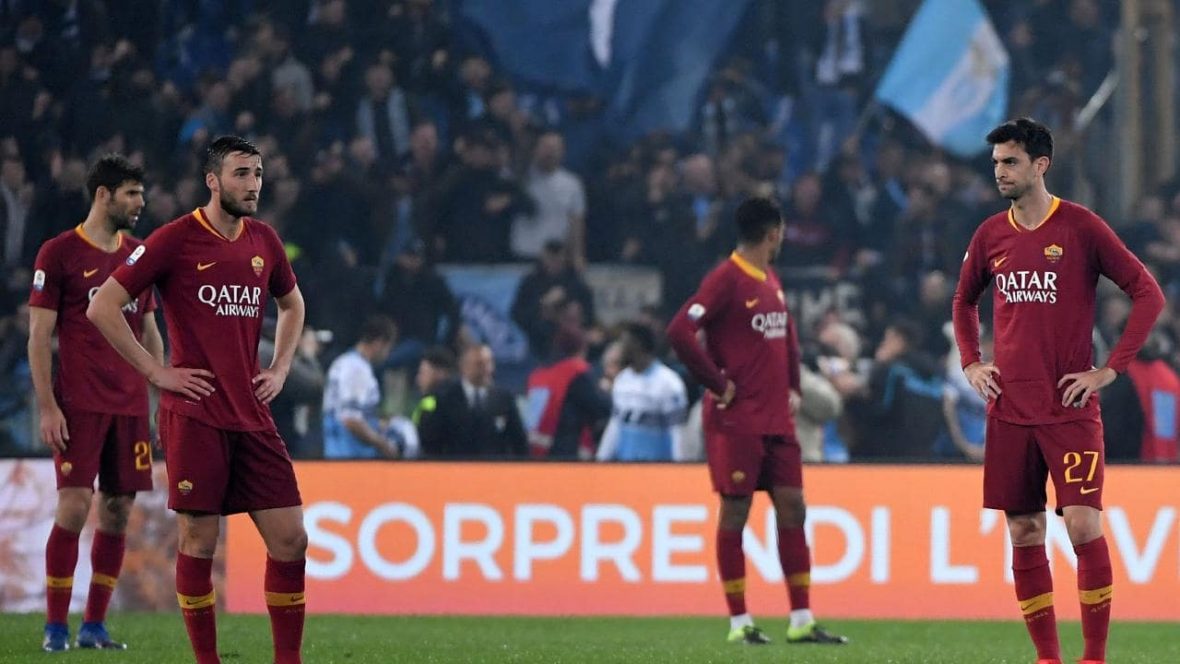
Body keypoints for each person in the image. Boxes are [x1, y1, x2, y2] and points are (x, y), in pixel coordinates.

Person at [87, 136, 309, 664]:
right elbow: (103, 307)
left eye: (258, 174)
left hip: (252, 416)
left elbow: (293, 304)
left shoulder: (264, 241)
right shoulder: (175, 239)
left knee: (291, 541)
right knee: (199, 543)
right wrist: (155, 372)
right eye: (241, 174)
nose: (253, 185)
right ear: (213, 181)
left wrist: (280, 367)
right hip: (196, 416)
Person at [952, 118, 1165, 664]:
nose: (1000, 172)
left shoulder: (1081, 227)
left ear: (1041, 165)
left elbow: (1148, 293)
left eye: (1010, 162)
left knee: (1082, 523)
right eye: (996, 163)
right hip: (1009, 409)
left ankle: (1093, 657)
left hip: (1069, 408)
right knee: (1024, 530)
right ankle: (1048, 658)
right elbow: (964, 300)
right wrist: (971, 362)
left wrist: (1109, 370)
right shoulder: (990, 235)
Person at [666, 196, 847, 646]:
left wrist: (794, 387)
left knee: (794, 506)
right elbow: (679, 331)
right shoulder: (725, 279)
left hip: (777, 419)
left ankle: (801, 619)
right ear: (774, 233)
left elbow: (786, 336)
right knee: (736, 510)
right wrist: (716, 383)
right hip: (737, 420)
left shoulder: (769, 276)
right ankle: (739, 622)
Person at [28, 154, 163, 652]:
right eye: (132, 193)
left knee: (118, 510)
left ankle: (94, 626)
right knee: (73, 508)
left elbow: (149, 330)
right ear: (103, 195)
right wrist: (48, 406)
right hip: (79, 403)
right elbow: (38, 337)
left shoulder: (139, 255)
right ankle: (55, 627)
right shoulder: (59, 253)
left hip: (130, 406)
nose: (140, 202)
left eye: (141, 193)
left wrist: (158, 399)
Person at [322, 315, 414, 459]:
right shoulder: (356, 369)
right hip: (349, 457)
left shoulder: (344, 362)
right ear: (379, 343)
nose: (387, 354)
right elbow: (350, 419)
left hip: (337, 454)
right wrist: (383, 444)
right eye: (388, 348)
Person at [596, 322, 688, 461]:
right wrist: (602, 459)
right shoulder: (622, 380)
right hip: (625, 465)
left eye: (624, 343)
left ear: (637, 344)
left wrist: (680, 466)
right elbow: (615, 425)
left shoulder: (668, 383)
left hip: (656, 467)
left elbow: (676, 432)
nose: (620, 349)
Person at [418, 343, 527, 458]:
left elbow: (519, 441)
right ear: (464, 366)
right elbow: (431, 442)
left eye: (489, 363)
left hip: (493, 467)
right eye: (480, 364)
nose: (487, 369)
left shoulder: (504, 399)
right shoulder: (444, 398)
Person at [525, 325, 611, 459]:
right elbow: (602, 408)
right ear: (582, 348)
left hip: (535, 450)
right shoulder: (576, 372)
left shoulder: (538, 375)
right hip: (565, 450)